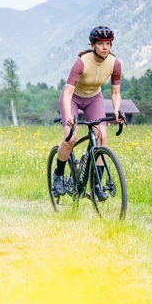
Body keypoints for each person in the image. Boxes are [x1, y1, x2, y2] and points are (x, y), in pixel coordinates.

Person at [52, 25, 124, 201]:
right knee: (71, 138)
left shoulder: (115, 64)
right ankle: (58, 175)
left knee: (102, 138)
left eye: (108, 43)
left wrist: (116, 111)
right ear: (93, 45)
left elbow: (115, 92)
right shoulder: (81, 62)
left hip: (94, 98)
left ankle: (96, 185)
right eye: (101, 44)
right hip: (73, 98)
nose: (105, 47)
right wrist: (68, 116)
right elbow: (68, 92)